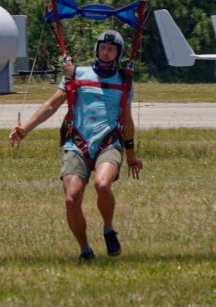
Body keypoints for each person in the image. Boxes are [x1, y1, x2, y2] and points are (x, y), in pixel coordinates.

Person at [9, 29, 143, 262]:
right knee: (71, 200)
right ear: (96, 49)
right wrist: (26, 129)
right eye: (103, 47)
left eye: (112, 49)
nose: (106, 52)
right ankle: (85, 250)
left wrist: (131, 155)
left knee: (102, 185)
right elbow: (52, 104)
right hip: (77, 142)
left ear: (119, 53)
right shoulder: (77, 74)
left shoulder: (124, 81)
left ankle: (108, 229)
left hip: (108, 142)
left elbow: (128, 120)